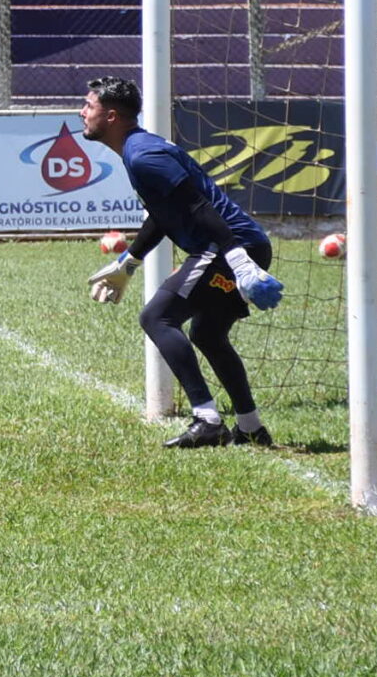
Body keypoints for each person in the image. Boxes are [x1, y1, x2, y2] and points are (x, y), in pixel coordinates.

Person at [78, 76, 283, 448]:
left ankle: (207, 420)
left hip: (226, 247)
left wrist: (237, 259)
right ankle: (251, 428)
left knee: (157, 317)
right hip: (237, 245)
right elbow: (163, 213)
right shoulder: (138, 150)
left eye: (88, 106)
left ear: (110, 116)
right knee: (207, 334)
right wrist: (128, 262)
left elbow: (197, 206)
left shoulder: (143, 155)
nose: (82, 113)